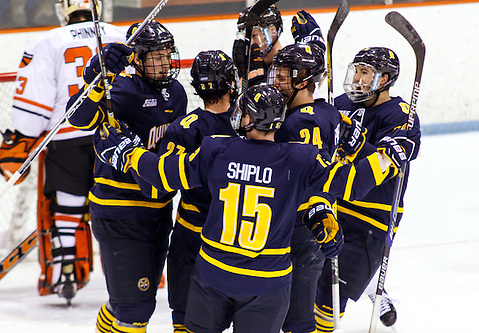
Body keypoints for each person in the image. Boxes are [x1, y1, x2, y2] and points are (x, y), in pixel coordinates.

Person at [92, 84, 418, 333]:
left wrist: (126, 154)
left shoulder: (218, 150)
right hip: (268, 285)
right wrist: (390, 154)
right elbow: (351, 182)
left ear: (247, 118)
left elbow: (164, 173)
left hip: (214, 276)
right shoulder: (299, 159)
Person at [0, 0, 124, 305]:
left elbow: (32, 108)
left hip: (67, 138)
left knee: (67, 206)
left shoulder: (46, 42)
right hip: (117, 139)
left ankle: (65, 269)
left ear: (63, 10)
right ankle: (130, 271)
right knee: (121, 207)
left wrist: (22, 136)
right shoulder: (120, 35)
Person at [67, 20, 187, 332]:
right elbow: (77, 118)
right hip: (119, 211)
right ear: (135, 58)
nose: (165, 63)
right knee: (136, 307)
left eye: (167, 55)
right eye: (156, 56)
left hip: (159, 212)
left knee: (136, 300)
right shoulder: (119, 89)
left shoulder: (176, 93)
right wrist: (97, 81)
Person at [314, 47, 422, 331]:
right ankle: (374, 287)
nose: (358, 79)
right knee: (307, 284)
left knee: (328, 297)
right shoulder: (340, 103)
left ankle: (372, 288)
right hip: (334, 208)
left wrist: (358, 144)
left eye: (366, 73)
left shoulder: (399, 115)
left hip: (371, 222)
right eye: (357, 71)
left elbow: (389, 166)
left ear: (384, 79)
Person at [158, 50, 239, 332]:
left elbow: (162, 182)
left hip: (191, 238)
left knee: (186, 321)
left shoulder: (183, 127)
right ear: (231, 83)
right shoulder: (248, 124)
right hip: (239, 239)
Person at [266, 40, 342, 333]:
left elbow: (308, 177)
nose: (277, 80)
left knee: (295, 320)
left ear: (305, 81)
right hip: (303, 227)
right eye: (278, 72)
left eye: (286, 75)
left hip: (300, 229)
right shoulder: (328, 114)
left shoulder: (301, 123)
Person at [232, 4, 283, 87]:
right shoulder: (250, 63)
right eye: (247, 37)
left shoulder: (288, 65)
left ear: (272, 31)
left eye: (254, 36)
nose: (250, 43)